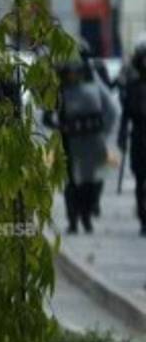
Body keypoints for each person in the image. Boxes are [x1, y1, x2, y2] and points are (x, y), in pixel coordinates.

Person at [49, 57, 117, 233]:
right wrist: (59, 126)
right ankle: (73, 220)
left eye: (75, 72)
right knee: (71, 183)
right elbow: (47, 117)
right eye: (69, 73)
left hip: (91, 142)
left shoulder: (94, 88)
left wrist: (104, 132)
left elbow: (110, 111)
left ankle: (86, 216)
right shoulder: (59, 93)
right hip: (68, 142)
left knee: (90, 182)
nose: (72, 76)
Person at [119, 38, 146, 236]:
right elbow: (125, 114)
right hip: (138, 136)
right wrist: (121, 136)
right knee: (139, 180)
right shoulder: (133, 86)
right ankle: (143, 218)